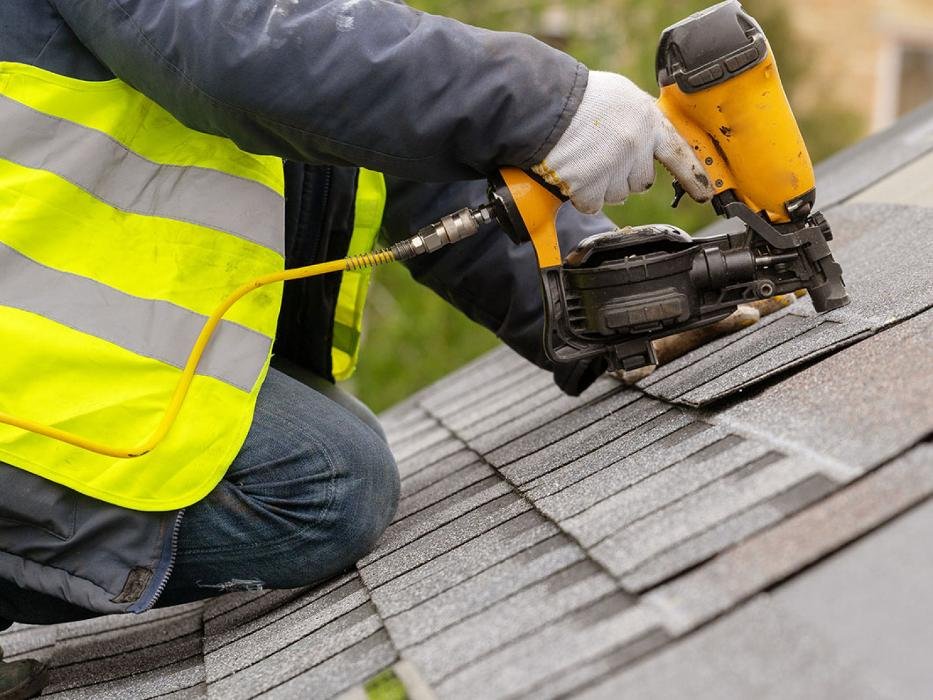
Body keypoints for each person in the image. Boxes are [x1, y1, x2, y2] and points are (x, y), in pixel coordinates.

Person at [0, 1, 735, 695]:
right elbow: (241, 47)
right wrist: (545, 104)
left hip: (58, 352)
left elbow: (390, 152)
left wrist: (604, 301)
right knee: (318, 487)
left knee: (326, 464)